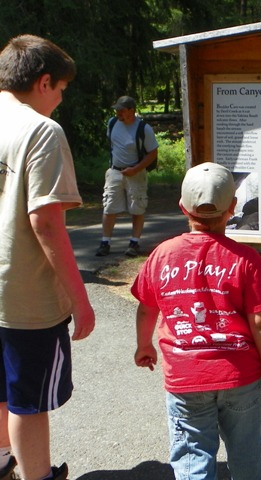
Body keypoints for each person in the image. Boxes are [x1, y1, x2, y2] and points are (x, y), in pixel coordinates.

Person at [131, 162, 261, 479]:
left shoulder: (162, 254)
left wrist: (144, 344)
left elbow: (147, 308)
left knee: (192, 455)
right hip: (239, 376)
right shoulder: (246, 259)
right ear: (232, 208)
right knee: (246, 450)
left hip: (185, 377)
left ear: (182, 207)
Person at [0, 34, 96, 480]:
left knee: (2, 389)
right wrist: (79, 300)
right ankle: (37, 476)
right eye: (60, 90)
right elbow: (46, 223)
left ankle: (3, 462)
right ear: (43, 82)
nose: (59, 99)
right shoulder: (41, 131)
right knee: (29, 401)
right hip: (25, 300)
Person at [95, 95, 158, 257]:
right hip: (114, 171)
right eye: (117, 110)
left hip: (136, 173)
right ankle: (105, 242)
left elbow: (152, 153)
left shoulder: (144, 129)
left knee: (137, 208)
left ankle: (134, 243)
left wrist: (136, 169)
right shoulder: (112, 123)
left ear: (132, 111)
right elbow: (112, 146)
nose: (118, 113)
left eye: (121, 110)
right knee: (109, 206)